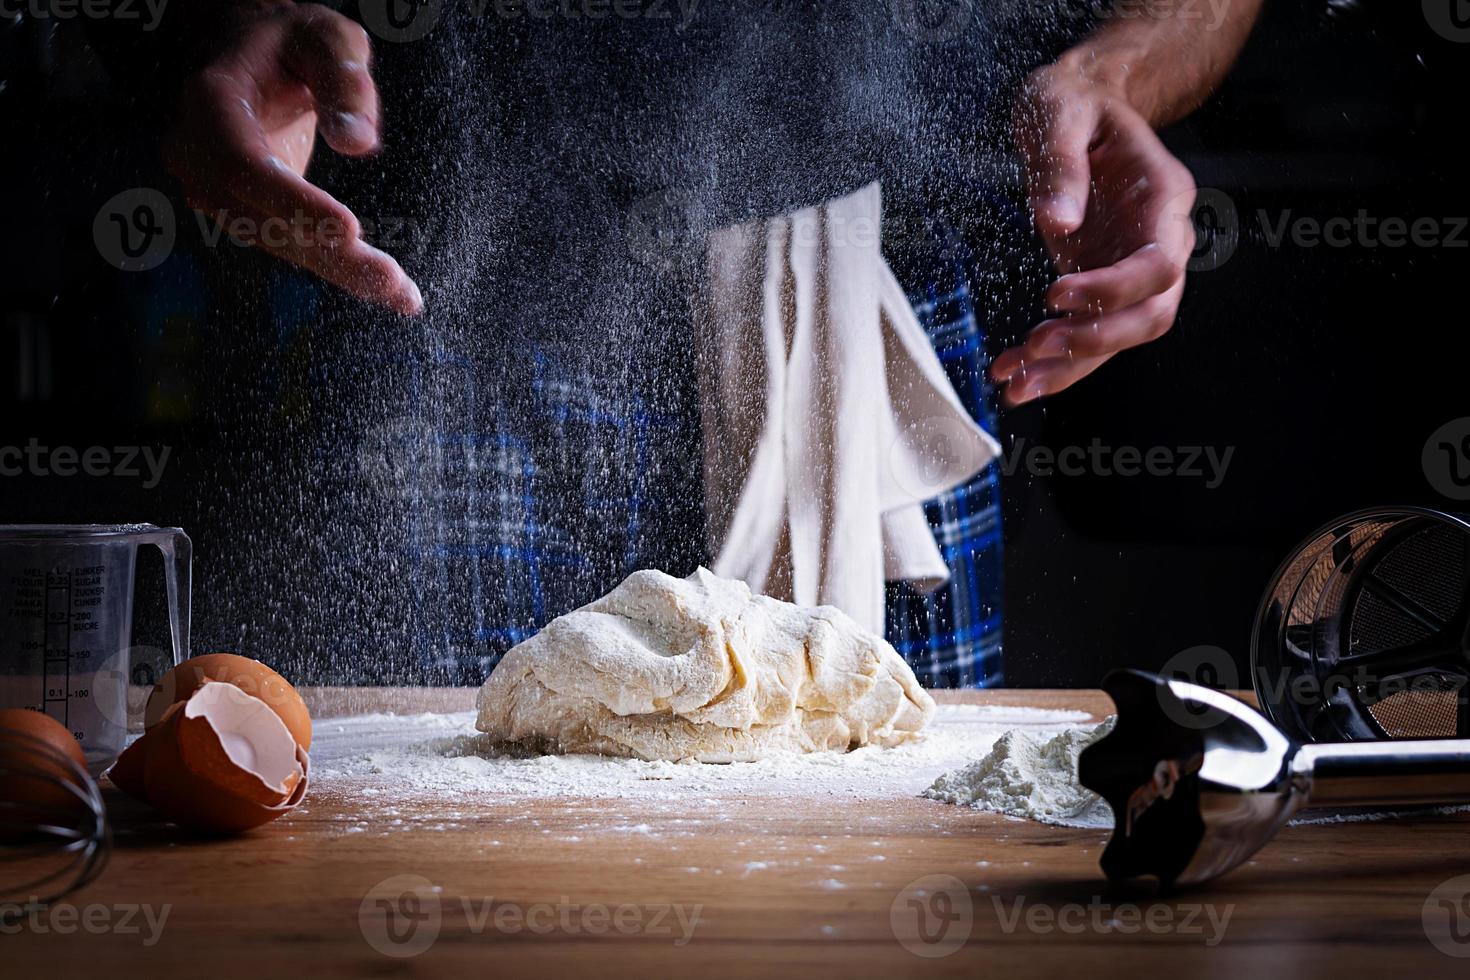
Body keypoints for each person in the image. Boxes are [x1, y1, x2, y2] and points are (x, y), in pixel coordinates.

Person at [101, 0, 1265, 684]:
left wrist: (1112, 70)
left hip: (856, 307)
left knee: (890, 838)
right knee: (448, 828)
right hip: (448, 289)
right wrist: (231, 22)